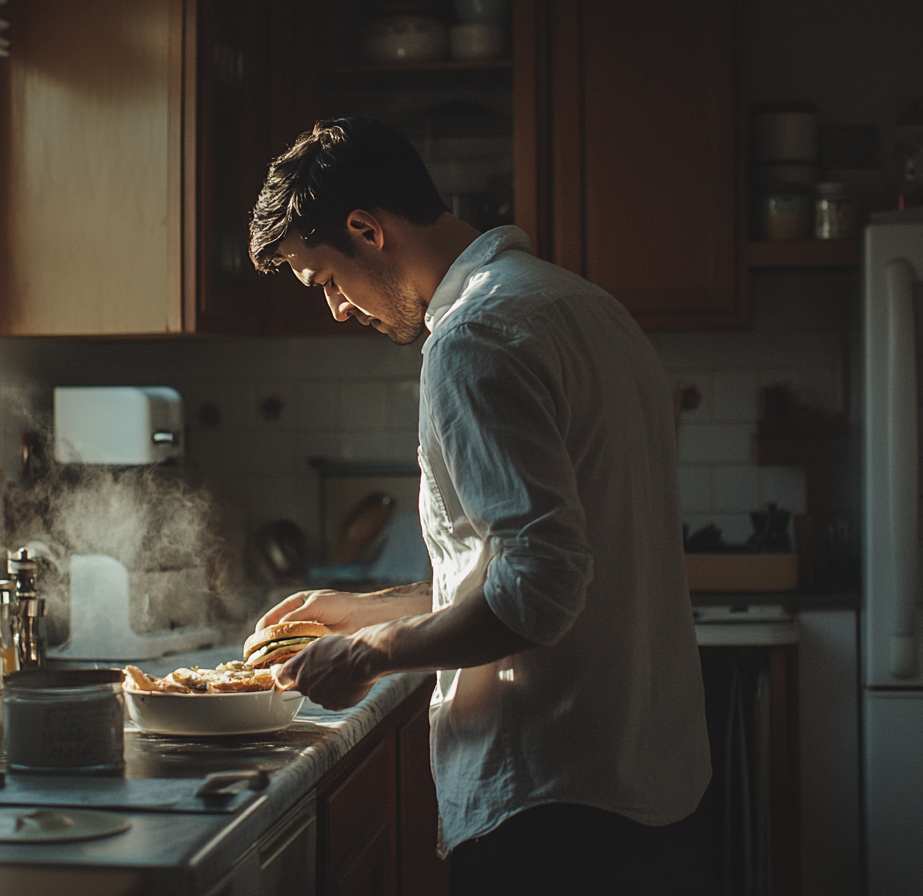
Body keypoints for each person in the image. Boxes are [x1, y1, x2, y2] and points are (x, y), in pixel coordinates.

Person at [248, 117, 712, 895]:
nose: (336, 310)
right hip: (651, 791)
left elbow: (541, 590)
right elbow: (534, 565)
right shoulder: (587, 306)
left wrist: (372, 653)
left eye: (327, 280)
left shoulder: (475, 339)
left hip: (551, 808)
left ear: (366, 229)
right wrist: (359, 612)